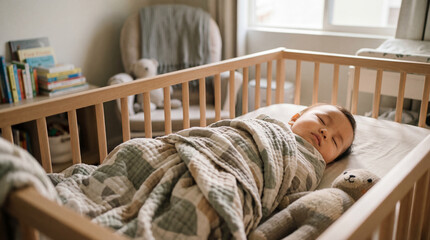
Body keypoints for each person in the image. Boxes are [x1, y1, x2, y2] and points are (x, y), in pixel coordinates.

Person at [288, 104, 356, 164]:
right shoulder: (279, 129)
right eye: (321, 120)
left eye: (334, 141)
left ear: (332, 160)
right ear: (295, 118)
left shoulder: (312, 171)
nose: (326, 133)